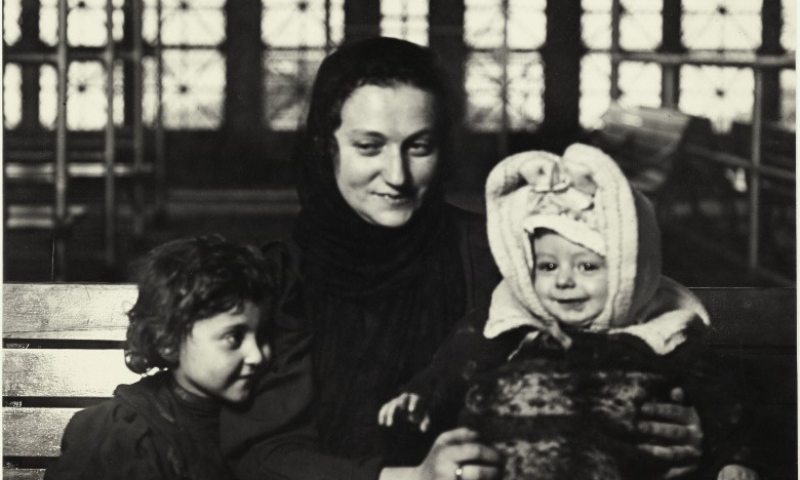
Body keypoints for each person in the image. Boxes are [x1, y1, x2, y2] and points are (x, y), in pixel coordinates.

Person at [221, 37, 708, 480]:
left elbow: (620, 336)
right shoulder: (283, 278)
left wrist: (681, 425)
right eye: (369, 147)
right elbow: (262, 456)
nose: (397, 175)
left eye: (419, 147)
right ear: (325, 148)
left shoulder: (501, 255)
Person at [380, 144, 758, 480]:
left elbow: (724, 406)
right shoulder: (506, 328)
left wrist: (732, 460)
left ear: (631, 270)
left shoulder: (663, 336)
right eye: (547, 267)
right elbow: (452, 369)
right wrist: (421, 395)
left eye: (587, 266)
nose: (564, 281)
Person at [45, 235, 273, 480]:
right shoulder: (125, 435)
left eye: (262, 335)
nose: (258, 355)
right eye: (234, 337)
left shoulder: (272, 415)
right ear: (168, 341)